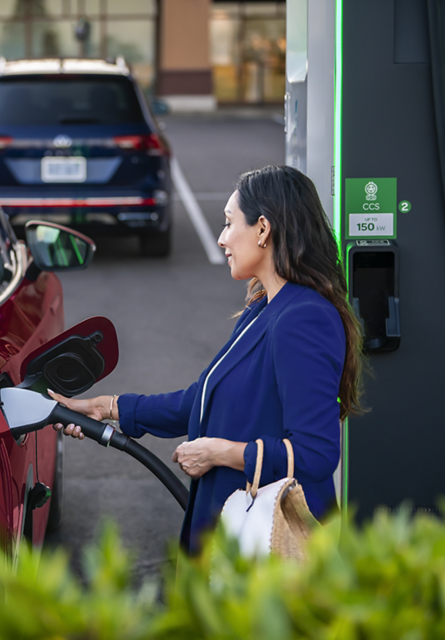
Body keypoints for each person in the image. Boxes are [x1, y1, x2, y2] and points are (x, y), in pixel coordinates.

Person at [50, 165, 364, 552]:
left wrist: (221, 453)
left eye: (230, 223)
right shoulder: (265, 308)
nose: (221, 238)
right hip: (241, 533)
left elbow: (316, 453)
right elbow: (202, 400)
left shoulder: (303, 318)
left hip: (268, 546)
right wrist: (107, 407)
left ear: (263, 229)